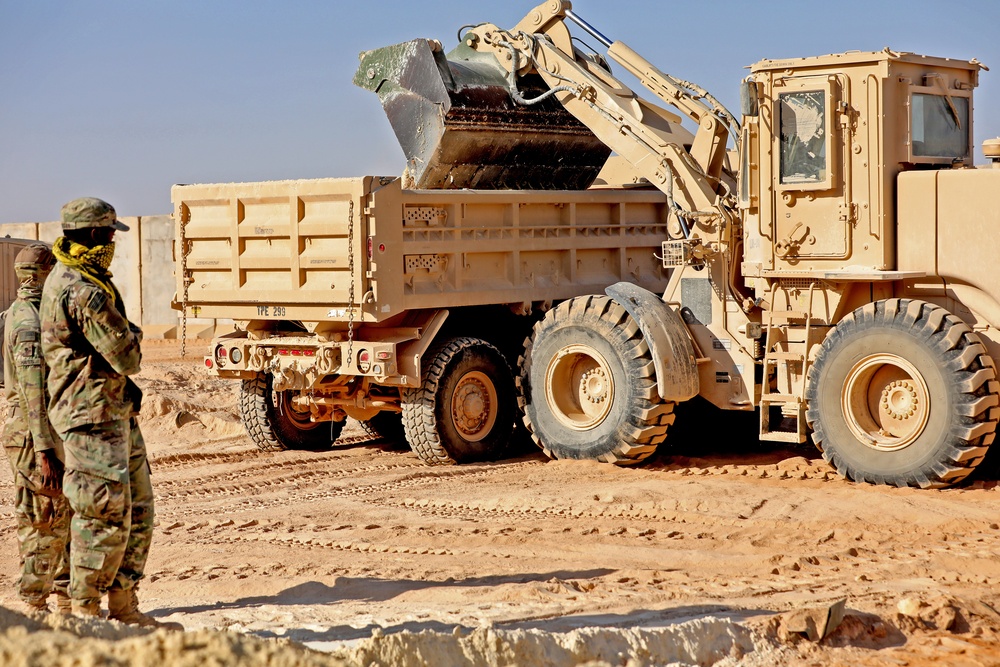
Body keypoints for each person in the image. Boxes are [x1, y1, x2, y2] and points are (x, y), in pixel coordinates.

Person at [41, 197, 180, 630]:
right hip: (90, 416)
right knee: (100, 514)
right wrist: (131, 333)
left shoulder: (85, 279)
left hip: (112, 411)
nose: (112, 243)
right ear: (95, 235)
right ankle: (83, 612)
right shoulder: (82, 288)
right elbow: (127, 355)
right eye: (108, 234)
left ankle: (123, 606)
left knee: (137, 510)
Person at [2, 244, 71, 616]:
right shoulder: (28, 322)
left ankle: (62, 597)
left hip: (38, 430)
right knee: (41, 518)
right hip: (33, 434)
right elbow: (32, 392)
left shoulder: (25, 311)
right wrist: (45, 451)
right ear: (41, 274)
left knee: (59, 513)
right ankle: (33, 603)